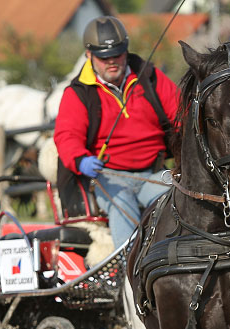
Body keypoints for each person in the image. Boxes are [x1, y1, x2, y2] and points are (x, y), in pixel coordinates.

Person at [53, 16, 179, 248]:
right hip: (108, 177)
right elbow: (66, 136)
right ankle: (127, 270)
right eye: (104, 57)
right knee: (122, 205)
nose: (112, 62)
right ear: (89, 55)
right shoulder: (78, 93)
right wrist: (80, 160)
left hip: (153, 171)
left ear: (126, 51)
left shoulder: (149, 77)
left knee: (181, 196)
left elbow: (181, 113)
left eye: (118, 55)